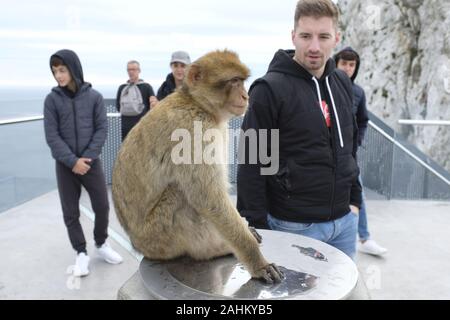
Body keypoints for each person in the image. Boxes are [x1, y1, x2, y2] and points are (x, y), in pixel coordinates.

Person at [237, 0, 362, 259]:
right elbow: (252, 163)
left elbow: (348, 144)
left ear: (336, 38)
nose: (314, 46)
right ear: (293, 36)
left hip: (345, 224)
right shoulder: (268, 89)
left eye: (323, 36)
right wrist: (256, 227)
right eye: (306, 36)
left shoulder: (340, 81)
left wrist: (355, 200)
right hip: (294, 226)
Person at [44, 49, 123, 277]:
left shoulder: (94, 97)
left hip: (91, 163)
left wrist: (86, 158)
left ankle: (101, 244)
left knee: (102, 205)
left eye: (62, 69)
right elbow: (52, 136)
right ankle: (81, 253)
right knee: (70, 212)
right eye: (54, 71)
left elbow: (101, 129)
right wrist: (72, 161)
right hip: (65, 165)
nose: (58, 75)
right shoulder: (51, 100)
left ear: (73, 68)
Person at [335, 47, 388, 256]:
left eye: (351, 64)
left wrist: (356, 141)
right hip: (326, 156)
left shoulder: (358, 92)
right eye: (344, 64)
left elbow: (363, 120)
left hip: (350, 155)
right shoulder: (327, 87)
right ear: (336, 63)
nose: (347, 68)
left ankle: (364, 238)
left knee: (358, 193)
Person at [116, 60, 155, 140]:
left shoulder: (146, 87)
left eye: (133, 69)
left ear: (139, 70)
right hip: (127, 127)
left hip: (141, 126)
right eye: (129, 70)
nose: (131, 72)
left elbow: (118, 106)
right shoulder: (122, 88)